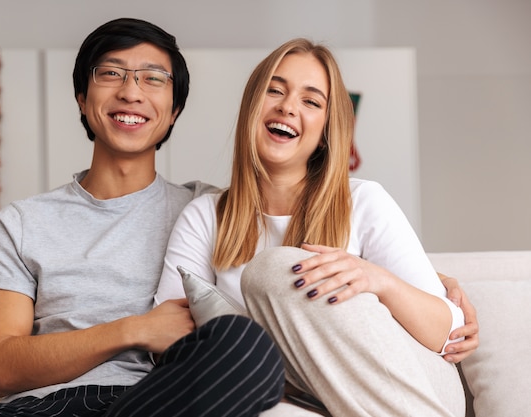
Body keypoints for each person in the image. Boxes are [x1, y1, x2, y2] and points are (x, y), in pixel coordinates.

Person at [0, 18, 285, 417]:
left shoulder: (210, 209)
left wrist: (361, 272)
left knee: (248, 347)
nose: (130, 92)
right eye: (111, 73)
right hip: (40, 409)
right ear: (82, 99)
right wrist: (134, 330)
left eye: (153, 78)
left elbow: (302, 224)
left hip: (153, 402)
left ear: (174, 110)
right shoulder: (20, 223)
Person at [155, 38, 477, 417]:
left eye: (311, 101)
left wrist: (377, 281)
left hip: (410, 389)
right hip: (289, 400)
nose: (287, 106)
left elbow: (449, 335)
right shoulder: (205, 216)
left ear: (326, 130)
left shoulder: (363, 201)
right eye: (274, 90)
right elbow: (168, 343)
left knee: (273, 272)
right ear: (250, 107)